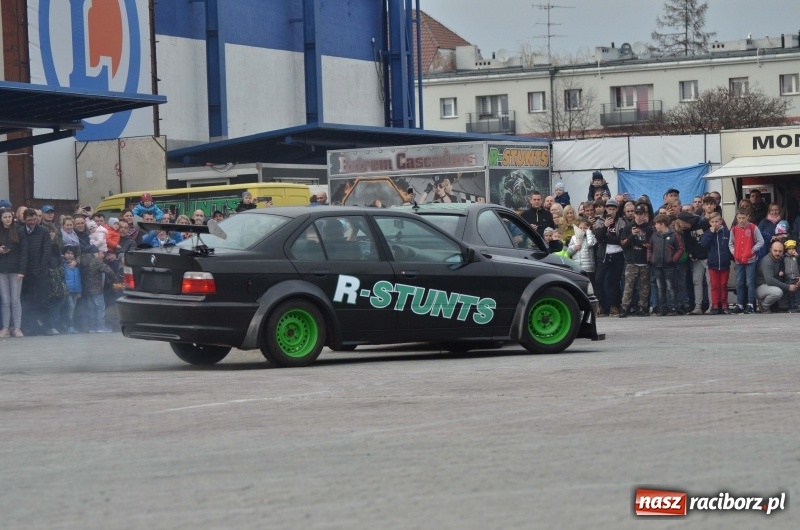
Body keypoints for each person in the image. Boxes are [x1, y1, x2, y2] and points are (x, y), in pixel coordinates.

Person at [20, 208, 53, 336]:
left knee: (43, 300)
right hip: (25, 272)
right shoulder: (20, 232)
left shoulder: (44, 231)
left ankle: (47, 326)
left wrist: (41, 267)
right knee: (27, 301)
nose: (33, 222)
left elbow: (47, 251)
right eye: (29, 220)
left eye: (35, 219)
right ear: (24, 220)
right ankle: (29, 327)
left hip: (40, 271)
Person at [618, 205, 653, 317]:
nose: (638, 216)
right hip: (631, 261)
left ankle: (643, 307)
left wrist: (637, 241)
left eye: (641, 214)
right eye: (637, 214)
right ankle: (624, 308)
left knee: (644, 286)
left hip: (644, 261)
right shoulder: (628, 227)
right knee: (628, 286)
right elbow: (624, 243)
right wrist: (632, 236)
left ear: (644, 215)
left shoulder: (648, 228)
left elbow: (648, 245)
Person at [594, 199, 626, 317]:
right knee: (599, 280)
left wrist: (606, 239)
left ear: (617, 209)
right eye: (609, 209)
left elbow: (621, 239)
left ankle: (614, 306)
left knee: (615, 281)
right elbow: (598, 237)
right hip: (604, 254)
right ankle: (600, 306)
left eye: (613, 209)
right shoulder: (600, 221)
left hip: (618, 254)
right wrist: (605, 227)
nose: (611, 211)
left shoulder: (622, 221)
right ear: (606, 209)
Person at [729, 207, 764, 314]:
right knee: (739, 282)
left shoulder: (753, 228)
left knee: (750, 282)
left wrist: (752, 250)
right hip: (739, 260)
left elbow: (760, 241)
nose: (741, 220)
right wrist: (734, 252)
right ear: (736, 217)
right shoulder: (734, 229)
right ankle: (739, 304)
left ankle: (750, 304)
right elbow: (730, 243)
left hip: (750, 260)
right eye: (739, 218)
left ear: (748, 217)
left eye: (743, 218)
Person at [648, 214, 684, 316]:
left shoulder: (674, 234)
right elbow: (650, 247)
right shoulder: (655, 235)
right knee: (660, 288)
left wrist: (674, 259)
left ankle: (673, 307)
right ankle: (662, 308)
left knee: (670, 287)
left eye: (656, 224)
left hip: (669, 266)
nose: (655, 226)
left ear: (662, 224)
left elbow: (680, 248)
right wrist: (650, 259)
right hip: (657, 266)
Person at [675, 211, 710, 315]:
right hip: (696, 258)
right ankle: (697, 306)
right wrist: (690, 253)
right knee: (697, 281)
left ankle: (711, 305)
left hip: (707, 256)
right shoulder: (686, 230)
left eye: (684, 225)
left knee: (709, 282)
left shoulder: (703, 222)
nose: (684, 228)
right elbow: (688, 242)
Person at [80, 246, 120, 333]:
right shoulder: (96, 262)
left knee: (91, 308)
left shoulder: (82, 261)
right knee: (100, 307)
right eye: (99, 252)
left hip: (86, 289)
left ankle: (92, 327)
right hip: (96, 289)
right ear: (94, 253)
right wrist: (115, 281)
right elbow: (109, 271)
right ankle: (101, 327)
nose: (100, 253)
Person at [0, 207, 25, 337]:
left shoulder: (19, 231)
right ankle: (5, 328)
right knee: (5, 300)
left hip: (16, 271)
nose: (7, 219)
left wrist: (22, 270)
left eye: (9, 217)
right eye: (5, 217)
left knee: (15, 300)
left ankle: (17, 327)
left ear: (12, 217)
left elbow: (24, 252)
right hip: (1, 270)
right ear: (1, 218)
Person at [700, 213, 732, 315]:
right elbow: (703, 244)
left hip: (724, 263)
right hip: (713, 264)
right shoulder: (707, 233)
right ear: (709, 223)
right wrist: (710, 233)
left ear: (721, 221)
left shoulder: (726, 233)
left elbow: (730, 247)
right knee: (714, 285)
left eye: (716, 221)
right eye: (712, 222)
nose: (715, 224)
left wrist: (729, 258)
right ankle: (714, 305)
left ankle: (724, 305)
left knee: (723, 285)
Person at [756, 241, 795, 314]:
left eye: (780, 251)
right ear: (770, 250)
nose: (777, 253)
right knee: (778, 292)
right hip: (761, 287)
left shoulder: (782, 259)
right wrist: (788, 287)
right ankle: (764, 305)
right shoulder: (767, 261)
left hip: (771, 286)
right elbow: (769, 280)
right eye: (775, 251)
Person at [567, 217, 597, 286]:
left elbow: (591, 244)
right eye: (580, 228)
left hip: (588, 268)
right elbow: (568, 252)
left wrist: (589, 232)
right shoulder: (574, 238)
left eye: (585, 228)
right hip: (577, 267)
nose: (582, 230)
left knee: (589, 286)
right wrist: (575, 248)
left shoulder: (591, 236)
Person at [61, 245, 82, 334]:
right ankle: (70, 326)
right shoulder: (63, 265)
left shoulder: (76, 265)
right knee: (71, 307)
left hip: (75, 290)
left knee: (73, 308)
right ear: (64, 254)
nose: (70, 255)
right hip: (68, 290)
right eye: (68, 253)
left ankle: (70, 325)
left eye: (72, 253)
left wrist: (79, 291)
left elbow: (78, 278)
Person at [782, 239, 800, 312]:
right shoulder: (784, 258)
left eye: (793, 249)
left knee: (797, 293)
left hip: (796, 278)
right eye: (789, 249)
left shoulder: (796, 257)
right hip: (788, 278)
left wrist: (798, 256)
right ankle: (791, 306)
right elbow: (782, 266)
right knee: (790, 294)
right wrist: (781, 271)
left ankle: (797, 306)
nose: (792, 250)